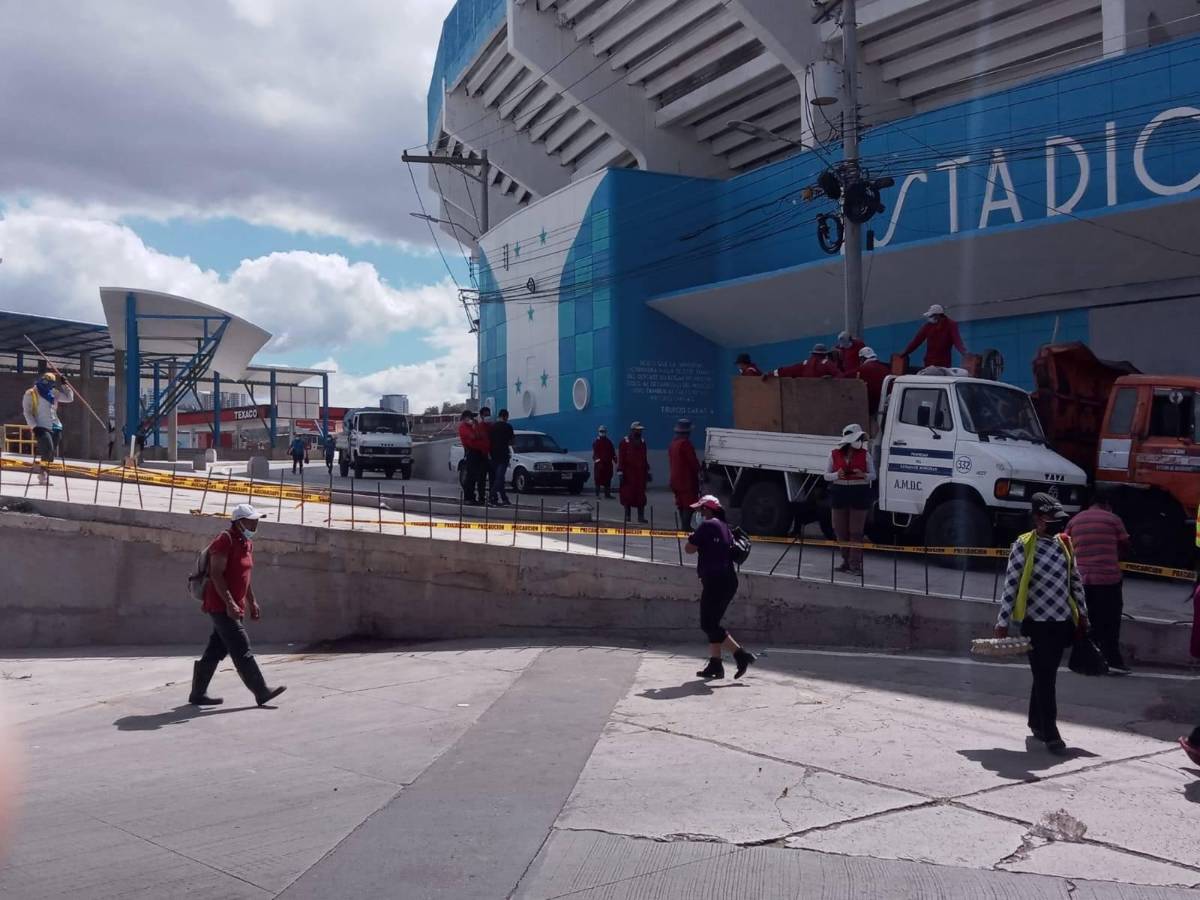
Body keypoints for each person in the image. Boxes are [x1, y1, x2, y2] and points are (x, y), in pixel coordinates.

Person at [994, 493, 1089, 756]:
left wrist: (1083, 614)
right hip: (1035, 624)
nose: (1057, 525)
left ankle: (1036, 722)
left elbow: (1075, 581)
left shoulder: (1065, 544)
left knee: (1046, 675)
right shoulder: (1023, 545)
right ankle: (1051, 733)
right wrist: (1002, 621)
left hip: (1061, 622)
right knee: (1045, 676)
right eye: (1051, 520)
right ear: (1037, 518)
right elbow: (1010, 586)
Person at [189, 504, 287, 708]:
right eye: (252, 520)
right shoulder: (225, 540)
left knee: (215, 650)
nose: (256, 523)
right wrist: (230, 603)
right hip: (221, 606)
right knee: (242, 648)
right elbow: (216, 574)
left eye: (257, 520)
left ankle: (197, 694)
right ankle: (261, 691)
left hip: (235, 606)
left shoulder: (246, 542)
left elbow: (244, 577)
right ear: (239, 522)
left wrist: (252, 601)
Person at [686, 495, 756, 680]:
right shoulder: (725, 526)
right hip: (727, 580)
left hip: (716, 581)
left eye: (701, 510)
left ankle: (741, 655)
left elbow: (689, 549)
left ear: (708, 510)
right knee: (713, 623)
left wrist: (692, 537)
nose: (699, 514)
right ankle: (715, 664)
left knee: (707, 624)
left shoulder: (708, 525)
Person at [1064, 490, 1132, 675]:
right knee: (1109, 622)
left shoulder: (1075, 520)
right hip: (1108, 579)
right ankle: (1113, 661)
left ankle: (1082, 661)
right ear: (1107, 504)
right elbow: (1125, 543)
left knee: (1085, 622)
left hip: (1081, 580)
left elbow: (1064, 545)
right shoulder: (1113, 519)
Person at [824, 424, 876, 574]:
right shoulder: (833, 454)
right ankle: (845, 561)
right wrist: (836, 475)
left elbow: (874, 475)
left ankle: (855, 565)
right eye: (858, 437)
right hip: (839, 492)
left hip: (859, 493)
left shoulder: (865, 454)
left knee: (856, 532)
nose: (860, 440)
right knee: (840, 530)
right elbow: (826, 475)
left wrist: (863, 475)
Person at [21, 373, 74, 486]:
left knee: (50, 453)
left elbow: (69, 398)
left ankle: (44, 472)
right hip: (41, 426)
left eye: (50, 384)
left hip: (56, 426)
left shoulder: (53, 392)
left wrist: (65, 384)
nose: (47, 386)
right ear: (41, 380)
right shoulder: (30, 393)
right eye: (45, 382)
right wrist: (34, 427)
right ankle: (43, 474)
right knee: (48, 447)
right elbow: (27, 412)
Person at [901, 303, 968, 369]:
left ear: (938, 315)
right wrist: (906, 352)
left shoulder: (951, 325)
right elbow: (917, 341)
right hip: (929, 362)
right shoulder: (928, 326)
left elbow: (957, 341)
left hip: (943, 364)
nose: (929, 318)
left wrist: (964, 353)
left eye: (931, 316)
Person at [668, 418, 701, 530]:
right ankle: (686, 526)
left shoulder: (673, 444)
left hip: (675, 479)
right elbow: (693, 462)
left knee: (681, 503)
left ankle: (684, 526)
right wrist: (700, 471)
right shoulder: (686, 444)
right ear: (687, 432)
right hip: (686, 480)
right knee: (689, 503)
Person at [617, 422, 650, 523]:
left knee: (641, 496)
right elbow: (621, 458)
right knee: (628, 495)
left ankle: (641, 517)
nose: (639, 431)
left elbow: (644, 458)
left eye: (640, 430)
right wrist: (620, 472)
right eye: (637, 429)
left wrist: (647, 471)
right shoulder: (625, 442)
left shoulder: (643, 442)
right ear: (632, 430)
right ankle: (627, 516)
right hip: (628, 474)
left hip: (640, 474)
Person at [855, 347, 890, 418]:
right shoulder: (886, 368)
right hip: (887, 406)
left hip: (870, 408)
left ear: (862, 358)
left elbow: (858, 388)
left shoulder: (863, 369)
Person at [489, 408, 514, 506]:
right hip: (503, 455)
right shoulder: (508, 427)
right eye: (507, 417)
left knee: (499, 478)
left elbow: (489, 440)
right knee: (499, 478)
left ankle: (504, 499)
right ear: (505, 416)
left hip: (493, 455)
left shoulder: (492, 427)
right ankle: (491, 496)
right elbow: (512, 441)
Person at [771, 344, 840, 379]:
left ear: (812, 353)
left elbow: (786, 371)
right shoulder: (827, 364)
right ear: (825, 354)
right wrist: (832, 379)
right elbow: (840, 376)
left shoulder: (805, 364)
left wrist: (770, 374)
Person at [458, 410, 483, 504]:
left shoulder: (473, 426)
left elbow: (480, 435)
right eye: (470, 417)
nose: (472, 419)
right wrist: (474, 428)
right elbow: (473, 437)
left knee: (476, 476)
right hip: (471, 452)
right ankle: (468, 497)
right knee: (470, 477)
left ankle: (473, 497)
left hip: (478, 452)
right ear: (465, 418)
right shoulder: (463, 427)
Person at [474, 407, 494, 504]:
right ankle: (481, 497)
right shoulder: (478, 427)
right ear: (481, 416)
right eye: (485, 415)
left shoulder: (492, 427)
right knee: (481, 478)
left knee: (492, 478)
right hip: (482, 456)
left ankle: (492, 497)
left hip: (492, 456)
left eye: (488, 415)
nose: (487, 417)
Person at [592, 425, 616, 499]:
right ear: (599, 432)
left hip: (608, 464)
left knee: (608, 479)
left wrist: (615, 459)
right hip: (599, 465)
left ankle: (607, 494)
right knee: (598, 479)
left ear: (606, 432)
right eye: (601, 431)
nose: (602, 433)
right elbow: (595, 453)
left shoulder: (608, 442)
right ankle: (597, 495)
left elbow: (612, 451)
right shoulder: (596, 442)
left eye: (603, 431)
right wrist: (598, 462)